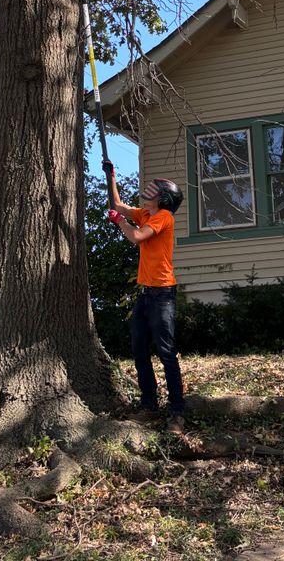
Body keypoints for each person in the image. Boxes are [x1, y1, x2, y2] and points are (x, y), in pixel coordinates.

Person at [106, 168, 186, 431]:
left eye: (154, 192)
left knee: (166, 353)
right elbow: (117, 205)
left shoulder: (163, 217)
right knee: (139, 350)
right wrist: (112, 177)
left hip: (162, 294)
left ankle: (177, 412)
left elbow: (137, 236)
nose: (147, 194)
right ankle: (149, 407)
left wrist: (121, 222)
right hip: (144, 294)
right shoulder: (145, 214)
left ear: (163, 199)